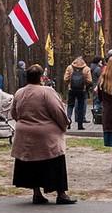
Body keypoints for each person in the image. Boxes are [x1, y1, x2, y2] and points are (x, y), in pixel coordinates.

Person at [11, 63, 76, 204]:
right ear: (41, 77)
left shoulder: (19, 93)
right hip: (46, 136)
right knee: (55, 162)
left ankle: (36, 193)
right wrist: (64, 125)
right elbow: (58, 111)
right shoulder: (47, 92)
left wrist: (24, 123)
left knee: (32, 164)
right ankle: (61, 194)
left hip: (24, 135)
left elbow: (14, 113)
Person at [63, 55, 92, 130]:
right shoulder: (86, 69)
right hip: (82, 90)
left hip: (71, 89)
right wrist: (84, 83)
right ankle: (80, 125)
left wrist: (69, 82)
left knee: (70, 106)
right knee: (80, 107)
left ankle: (68, 119)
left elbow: (65, 79)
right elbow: (90, 80)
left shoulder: (70, 67)